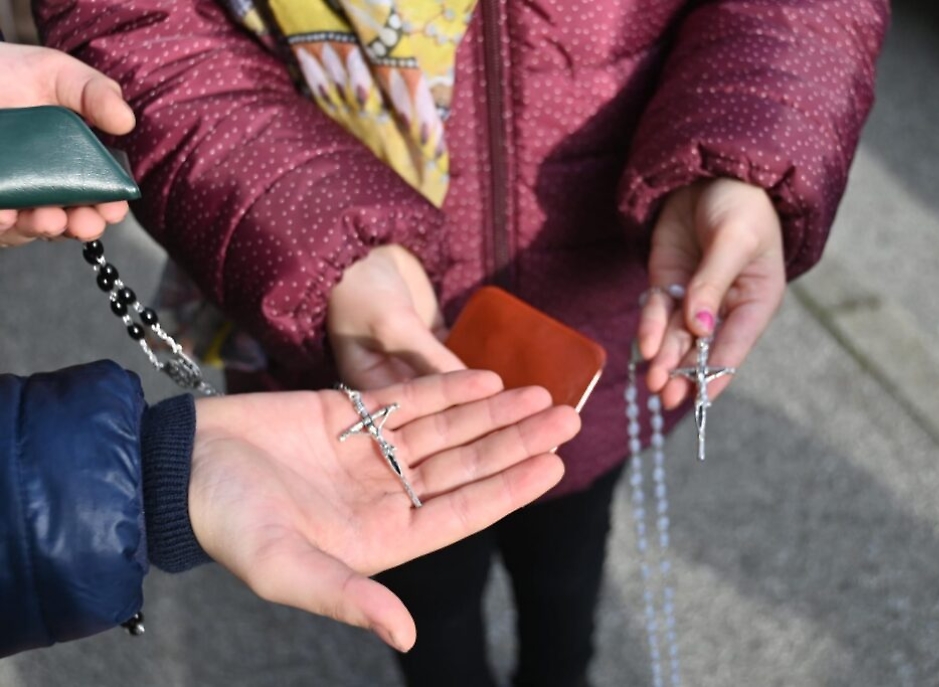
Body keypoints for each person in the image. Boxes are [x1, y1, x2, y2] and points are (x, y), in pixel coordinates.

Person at [32, 0, 890, 684]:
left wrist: (743, 155)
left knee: (567, 558)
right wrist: (323, 242)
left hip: (594, 334)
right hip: (357, 351)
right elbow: (138, 24)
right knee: (426, 599)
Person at [0, 39, 582, 659]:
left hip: (581, 366)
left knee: (565, 577)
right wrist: (158, 476)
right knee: (440, 604)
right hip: (341, 362)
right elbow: (163, 49)